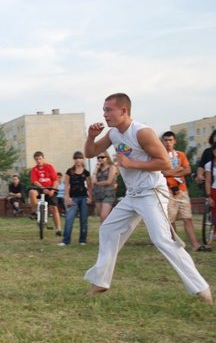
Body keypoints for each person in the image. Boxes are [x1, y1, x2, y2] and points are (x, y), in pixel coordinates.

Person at [84, 92, 212, 304]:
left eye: (108, 109)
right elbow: (91, 153)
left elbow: (165, 163)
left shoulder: (142, 132)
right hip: (132, 195)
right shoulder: (114, 133)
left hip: (152, 193)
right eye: (104, 110)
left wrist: (131, 164)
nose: (104, 114)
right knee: (108, 230)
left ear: (123, 111)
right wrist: (90, 136)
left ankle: (202, 288)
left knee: (162, 240)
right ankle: (101, 281)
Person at [161, 131, 207, 252]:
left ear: (174, 141)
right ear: (162, 141)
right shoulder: (161, 155)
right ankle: (174, 244)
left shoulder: (180, 154)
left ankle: (195, 244)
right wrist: (179, 169)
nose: (168, 143)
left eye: (170, 140)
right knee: (170, 220)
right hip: (168, 191)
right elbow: (163, 173)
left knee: (188, 218)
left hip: (182, 190)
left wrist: (173, 171)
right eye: (165, 140)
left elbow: (187, 170)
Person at [58, 151, 92, 246]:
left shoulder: (86, 173)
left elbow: (89, 186)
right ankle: (66, 240)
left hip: (84, 198)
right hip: (73, 198)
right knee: (69, 219)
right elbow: (66, 186)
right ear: (74, 160)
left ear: (82, 159)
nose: (78, 160)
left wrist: (90, 197)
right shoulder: (70, 171)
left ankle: (82, 240)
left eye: (80, 158)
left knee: (83, 219)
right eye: (76, 158)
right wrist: (67, 197)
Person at [28, 151, 62, 236]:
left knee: (54, 208)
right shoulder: (34, 169)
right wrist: (43, 189)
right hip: (40, 189)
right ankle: (36, 211)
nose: (38, 161)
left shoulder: (49, 167)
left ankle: (58, 229)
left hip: (50, 188)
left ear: (43, 158)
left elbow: (55, 180)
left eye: (40, 158)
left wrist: (52, 191)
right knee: (32, 192)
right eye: (36, 159)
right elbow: (35, 181)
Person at [91, 151, 117, 222]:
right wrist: (96, 168)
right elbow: (93, 181)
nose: (100, 159)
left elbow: (109, 181)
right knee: (102, 218)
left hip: (108, 194)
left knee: (104, 216)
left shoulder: (112, 167)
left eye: (102, 157)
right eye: (98, 157)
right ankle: (104, 232)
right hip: (98, 194)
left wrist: (97, 183)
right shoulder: (98, 168)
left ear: (107, 157)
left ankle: (109, 232)